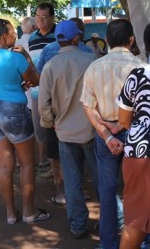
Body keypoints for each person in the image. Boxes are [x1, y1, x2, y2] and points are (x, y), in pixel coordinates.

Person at [0, 18, 50, 224]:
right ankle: (29, 212)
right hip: (14, 111)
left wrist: (17, 85)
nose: (15, 36)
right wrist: (27, 57)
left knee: (4, 166)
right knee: (27, 164)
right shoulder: (15, 57)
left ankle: (11, 214)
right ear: (4, 36)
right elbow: (35, 80)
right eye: (12, 32)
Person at [80, 19, 143, 249]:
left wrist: (106, 135)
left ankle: (108, 244)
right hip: (136, 136)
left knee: (106, 193)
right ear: (131, 40)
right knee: (136, 192)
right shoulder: (141, 66)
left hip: (105, 135)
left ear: (106, 40)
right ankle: (142, 242)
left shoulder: (95, 67)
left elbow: (88, 107)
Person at [38, 20, 98, 239]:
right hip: (92, 130)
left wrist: (49, 122)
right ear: (76, 38)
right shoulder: (91, 59)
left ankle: (77, 225)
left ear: (58, 39)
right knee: (102, 179)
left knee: (72, 182)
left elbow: (43, 103)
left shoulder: (50, 66)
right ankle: (113, 221)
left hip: (64, 132)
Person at [116, 17, 150, 249]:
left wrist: (145, 133)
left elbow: (123, 119)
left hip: (137, 154)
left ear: (147, 46)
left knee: (134, 219)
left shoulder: (136, 76)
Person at [28, 3, 56, 170]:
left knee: (55, 128)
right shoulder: (32, 38)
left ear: (52, 17)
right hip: (37, 91)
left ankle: (55, 164)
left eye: (44, 17)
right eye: (37, 17)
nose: (40, 20)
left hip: (55, 91)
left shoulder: (58, 35)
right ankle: (43, 160)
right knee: (39, 128)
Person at [16, 16, 37, 110]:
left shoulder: (16, 43)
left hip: (20, 88)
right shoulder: (36, 42)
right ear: (33, 27)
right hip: (35, 84)